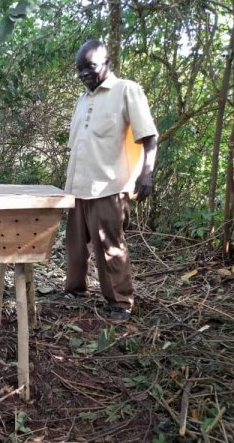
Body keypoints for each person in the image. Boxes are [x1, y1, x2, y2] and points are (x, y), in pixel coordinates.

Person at [64, 40, 158, 322]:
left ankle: (120, 302)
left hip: (109, 186)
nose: (84, 74)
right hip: (78, 187)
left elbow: (150, 137)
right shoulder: (84, 99)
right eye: (80, 70)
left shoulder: (126, 90)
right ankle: (75, 290)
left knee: (110, 248)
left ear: (107, 62)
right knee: (75, 246)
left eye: (89, 67)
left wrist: (147, 173)